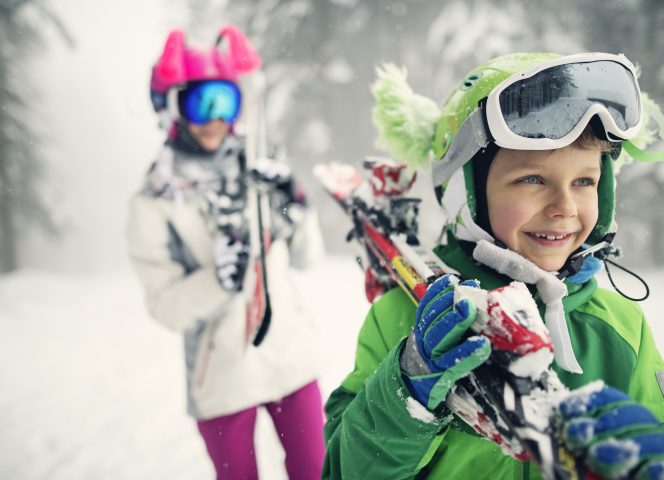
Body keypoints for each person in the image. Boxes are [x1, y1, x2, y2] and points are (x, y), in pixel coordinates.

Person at [323, 53, 664, 479]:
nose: (564, 207)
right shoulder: (399, 318)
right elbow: (344, 470)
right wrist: (404, 392)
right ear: (467, 196)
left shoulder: (622, 327)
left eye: (584, 181)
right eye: (533, 179)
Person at [127, 25, 326, 479]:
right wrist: (217, 279)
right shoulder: (155, 200)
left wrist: (297, 208)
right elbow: (166, 307)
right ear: (173, 107)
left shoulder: (258, 167)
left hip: (289, 355)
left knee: (316, 470)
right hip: (220, 375)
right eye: (202, 102)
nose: (216, 118)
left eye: (226, 100)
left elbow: (306, 258)